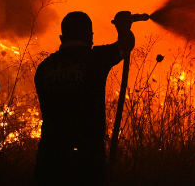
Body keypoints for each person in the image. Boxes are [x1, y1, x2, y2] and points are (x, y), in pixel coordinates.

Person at [33, 11, 137, 186]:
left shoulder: (43, 68)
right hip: (87, 158)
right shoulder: (96, 58)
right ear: (90, 37)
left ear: (61, 37)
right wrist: (123, 27)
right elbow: (126, 44)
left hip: (50, 157)